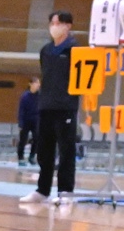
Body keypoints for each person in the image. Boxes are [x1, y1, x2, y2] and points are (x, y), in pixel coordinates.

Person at [20, 12, 81, 209]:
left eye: (58, 23)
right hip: (45, 106)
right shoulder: (45, 51)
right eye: (52, 23)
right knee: (44, 151)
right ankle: (42, 190)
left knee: (66, 151)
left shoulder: (75, 50)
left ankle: (65, 192)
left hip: (65, 107)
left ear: (68, 26)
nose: (54, 26)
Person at [16, 78, 39, 166]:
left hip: (36, 121)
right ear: (30, 84)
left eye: (38, 83)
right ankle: (21, 158)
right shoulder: (25, 96)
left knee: (36, 139)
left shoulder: (40, 96)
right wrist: (20, 123)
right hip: (26, 121)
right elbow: (21, 110)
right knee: (23, 140)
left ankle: (32, 156)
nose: (38, 85)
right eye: (36, 83)